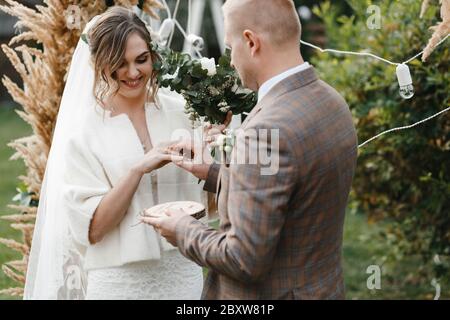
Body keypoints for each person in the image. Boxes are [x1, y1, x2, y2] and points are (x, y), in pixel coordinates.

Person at [143, 0, 358, 299]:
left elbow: (243, 259)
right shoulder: (331, 101)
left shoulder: (264, 132)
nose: (230, 62)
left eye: (231, 48)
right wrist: (216, 173)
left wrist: (181, 229)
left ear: (251, 42)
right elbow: (291, 193)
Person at [24, 6, 205, 300]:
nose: (133, 73)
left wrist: (214, 147)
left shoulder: (182, 112)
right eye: (120, 63)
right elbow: (93, 231)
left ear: (152, 56)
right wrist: (137, 170)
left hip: (184, 274)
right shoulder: (84, 133)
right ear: (100, 64)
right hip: (120, 285)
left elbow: (214, 203)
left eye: (141, 60)